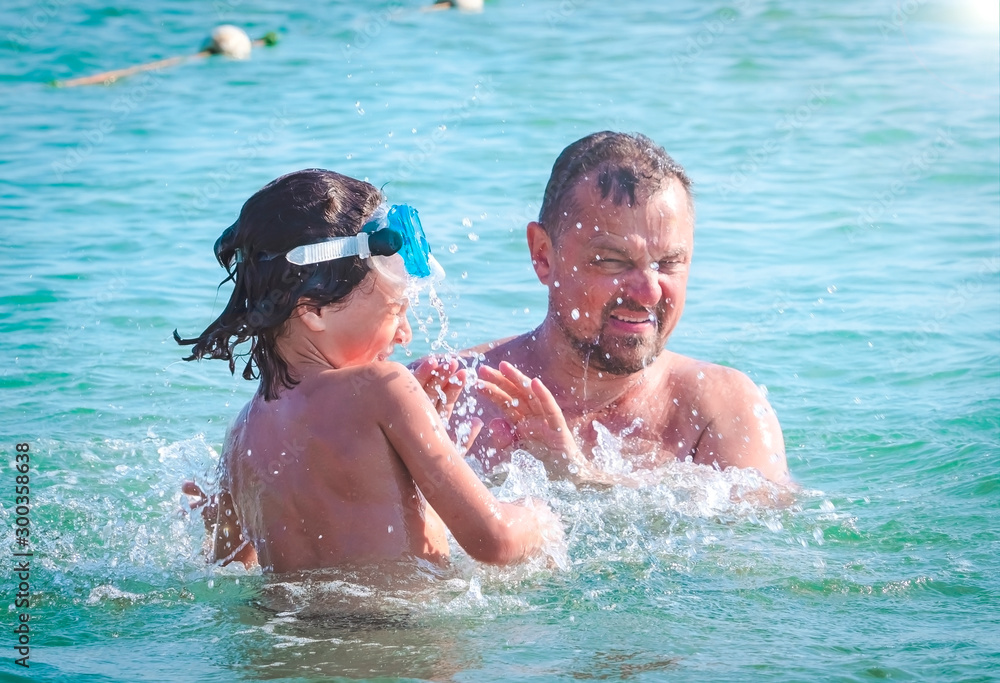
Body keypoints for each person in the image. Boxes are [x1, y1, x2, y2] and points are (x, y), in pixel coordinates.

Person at [175, 169, 561, 573]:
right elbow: (492, 540)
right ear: (312, 310)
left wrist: (424, 441)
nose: (406, 335)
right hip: (401, 634)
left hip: (287, 634)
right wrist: (540, 516)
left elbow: (230, 566)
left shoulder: (240, 437)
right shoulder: (385, 387)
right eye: (396, 310)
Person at [461, 132, 790, 486]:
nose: (648, 292)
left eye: (668, 263)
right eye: (614, 261)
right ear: (543, 255)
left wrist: (579, 477)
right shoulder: (457, 400)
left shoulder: (722, 411)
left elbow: (761, 531)